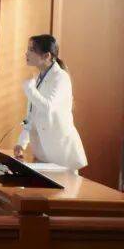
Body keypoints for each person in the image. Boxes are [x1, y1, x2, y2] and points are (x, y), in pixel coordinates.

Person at [13, 34, 87, 172]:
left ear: (47, 56)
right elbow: (30, 117)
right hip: (43, 154)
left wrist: (30, 89)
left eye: (31, 50)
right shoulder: (38, 79)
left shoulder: (61, 77)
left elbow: (48, 108)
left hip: (61, 155)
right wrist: (21, 143)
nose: (26, 53)